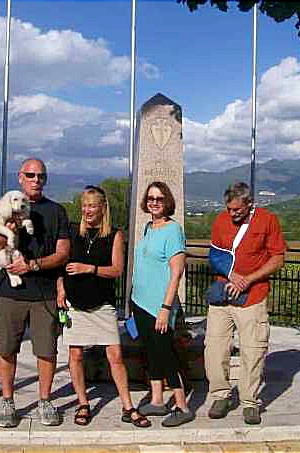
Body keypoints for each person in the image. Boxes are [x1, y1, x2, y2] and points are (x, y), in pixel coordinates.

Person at [0, 158, 69, 428]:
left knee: (46, 350)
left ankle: (44, 401)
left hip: (44, 293)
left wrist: (33, 265)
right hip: (8, 293)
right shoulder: (4, 210)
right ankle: (8, 401)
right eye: (30, 175)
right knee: (6, 348)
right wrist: (9, 232)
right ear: (20, 177)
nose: (35, 180)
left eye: (41, 176)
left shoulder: (56, 211)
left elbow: (63, 253)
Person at [56, 185, 151, 428]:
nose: (87, 210)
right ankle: (83, 403)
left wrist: (88, 269)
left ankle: (128, 406)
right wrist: (60, 289)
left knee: (115, 356)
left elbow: (117, 270)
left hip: (102, 304)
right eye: (84, 206)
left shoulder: (114, 234)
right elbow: (60, 264)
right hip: (75, 305)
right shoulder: (71, 230)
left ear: (102, 208)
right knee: (75, 355)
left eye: (92, 206)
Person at [205, 182, 286, 425]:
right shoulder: (220, 221)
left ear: (249, 204)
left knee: (253, 350)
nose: (232, 215)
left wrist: (248, 280)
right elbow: (215, 255)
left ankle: (250, 401)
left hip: (253, 297)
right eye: (229, 209)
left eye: (237, 210)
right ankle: (221, 396)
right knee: (215, 349)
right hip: (222, 296)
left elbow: (278, 258)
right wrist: (232, 277)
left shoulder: (267, 220)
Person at [130, 181, 194, 428]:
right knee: (152, 353)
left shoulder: (173, 230)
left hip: (160, 306)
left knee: (166, 355)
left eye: (158, 198)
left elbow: (176, 273)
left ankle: (182, 405)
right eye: (150, 198)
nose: (154, 202)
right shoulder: (148, 228)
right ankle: (157, 400)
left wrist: (166, 309)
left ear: (167, 201)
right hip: (140, 303)